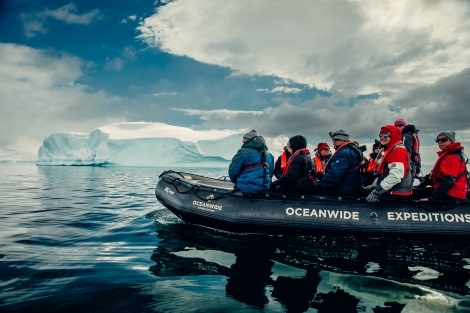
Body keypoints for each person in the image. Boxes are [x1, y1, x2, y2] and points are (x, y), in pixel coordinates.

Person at [366, 125, 413, 203]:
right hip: (389, 191)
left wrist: (377, 191)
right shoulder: (389, 150)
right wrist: (374, 186)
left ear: (393, 136)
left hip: (397, 194)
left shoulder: (398, 151)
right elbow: (383, 173)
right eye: (380, 135)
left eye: (385, 135)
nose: (382, 138)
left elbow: (395, 176)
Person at [417, 131, 468, 202]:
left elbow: (448, 181)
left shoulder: (452, 157)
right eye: (438, 140)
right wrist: (420, 186)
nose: (440, 142)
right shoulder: (447, 155)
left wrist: (431, 199)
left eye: (444, 139)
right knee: (416, 192)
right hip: (444, 191)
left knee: (414, 197)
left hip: (451, 194)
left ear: (451, 141)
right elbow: (433, 177)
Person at [315, 130, 363, 196]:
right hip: (353, 189)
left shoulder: (343, 154)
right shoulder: (352, 151)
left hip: (343, 191)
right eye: (333, 139)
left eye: (337, 139)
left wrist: (319, 187)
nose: (334, 141)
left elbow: (334, 176)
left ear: (344, 140)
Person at [229, 129, 274, 194]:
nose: (242, 141)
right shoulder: (269, 155)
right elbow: (271, 172)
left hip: (246, 188)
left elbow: (233, 171)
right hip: (264, 188)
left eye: (245, 139)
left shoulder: (243, 152)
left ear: (251, 140)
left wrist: (236, 182)